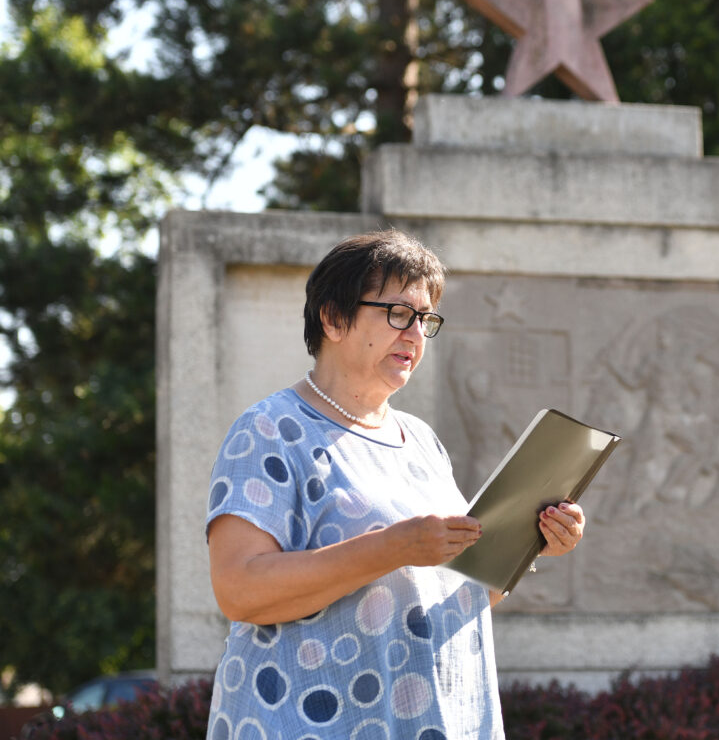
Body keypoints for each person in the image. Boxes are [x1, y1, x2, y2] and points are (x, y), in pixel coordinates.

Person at [204, 229, 586, 740]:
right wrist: (392, 547)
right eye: (398, 314)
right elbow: (239, 590)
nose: (414, 335)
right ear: (334, 318)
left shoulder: (421, 441)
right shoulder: (268, 429)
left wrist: (528, 541)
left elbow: (453, 593)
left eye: (425, 321)